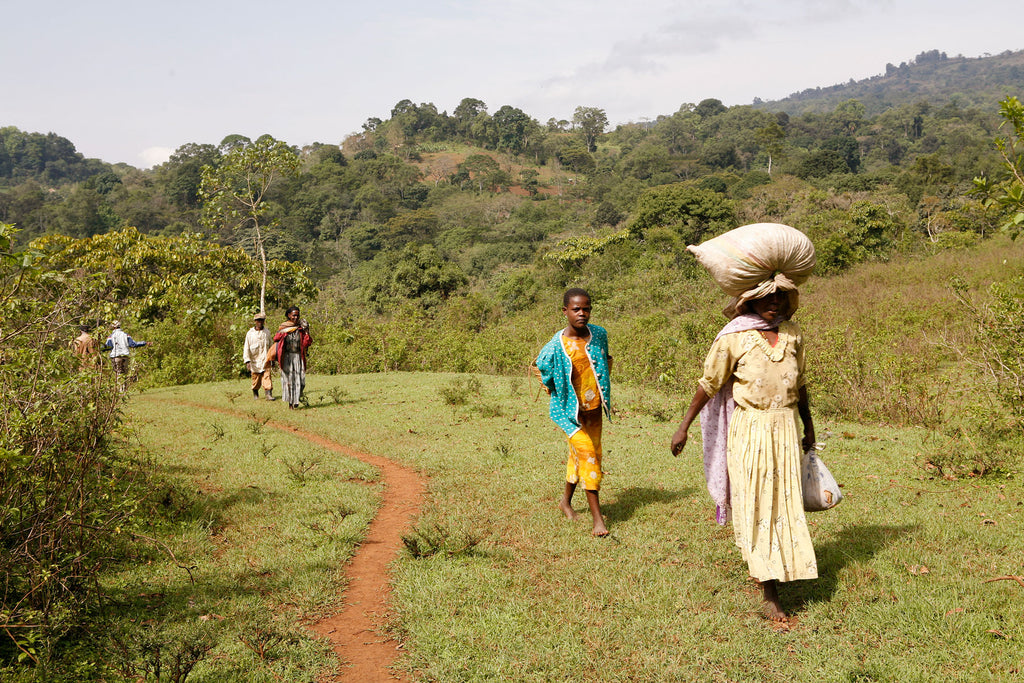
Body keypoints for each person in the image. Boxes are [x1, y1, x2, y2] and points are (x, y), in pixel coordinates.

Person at [670, 288, 817, 622]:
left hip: (786, 429)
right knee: (759, 502)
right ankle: (769, 590)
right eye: (766, 298)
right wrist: (684, 426)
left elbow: (800, 382)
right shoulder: (735, 337)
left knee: (785, 501)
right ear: (748, 301)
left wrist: (808, 424)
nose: (773, 303)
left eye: (779, 298)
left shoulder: (792, 334)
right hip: (751, 430)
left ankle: (783, 564)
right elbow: (709, 383)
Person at [534, 288, 614, 537]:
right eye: (576, 309)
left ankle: (565, 502)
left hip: (594, 410)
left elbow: (606, 360)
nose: (582, 313)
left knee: (580, 456)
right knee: (589, 455)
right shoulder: (556, 345)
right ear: (565, 311)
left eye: (586, 308)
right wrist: (553, 389)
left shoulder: (599, 334)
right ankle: (598, 520)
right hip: (569, 414)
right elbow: (541, 367)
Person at [273, 306, 312, 409]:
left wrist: (307, 331)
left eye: (297, 315)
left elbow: (307, 342)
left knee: (301, 380)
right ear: (289, 315)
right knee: (288, 380)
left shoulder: (301, 328)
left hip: (298, 357)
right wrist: (284, 333)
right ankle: (291, 403)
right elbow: (276, 338)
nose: (296, 317)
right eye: (294, 315)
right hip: (287, 357)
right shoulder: (284, 327)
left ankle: (296, 398)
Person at [103, 320, 148, 390]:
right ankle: (124, 390)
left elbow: (109, 346)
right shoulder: (126, 335)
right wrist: (144, 343)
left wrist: (99, 349)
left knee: (118, 374)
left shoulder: (111, 336)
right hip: (125, 356)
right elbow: (133, 344)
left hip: (115, 357)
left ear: (113, 327)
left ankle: (119, 390)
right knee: (124, 374)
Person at [243, 312, 275, 400]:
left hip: (265, 359)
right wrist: (247, 361)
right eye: (258, 320)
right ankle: (255, 394)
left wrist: (272, 358)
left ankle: (268, 394)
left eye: (261, 320)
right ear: (255, 322)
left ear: (264, 321)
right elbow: (246, 348)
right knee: (256, 380)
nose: (260, 322)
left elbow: (271, 346)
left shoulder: (267, 332)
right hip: (254, 361)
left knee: (267, 377)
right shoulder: (250, 333)